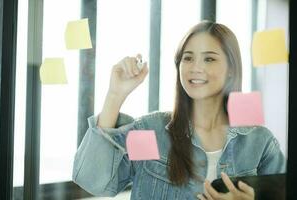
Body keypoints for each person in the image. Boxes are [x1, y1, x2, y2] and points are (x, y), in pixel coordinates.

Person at [72, 21, 286, 200]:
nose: (195, 67)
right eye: (188, 57)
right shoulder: (151, 132)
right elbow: (93, 182)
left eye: (209, 58)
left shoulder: (260, 143)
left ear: (231, 69)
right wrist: (115, 96)